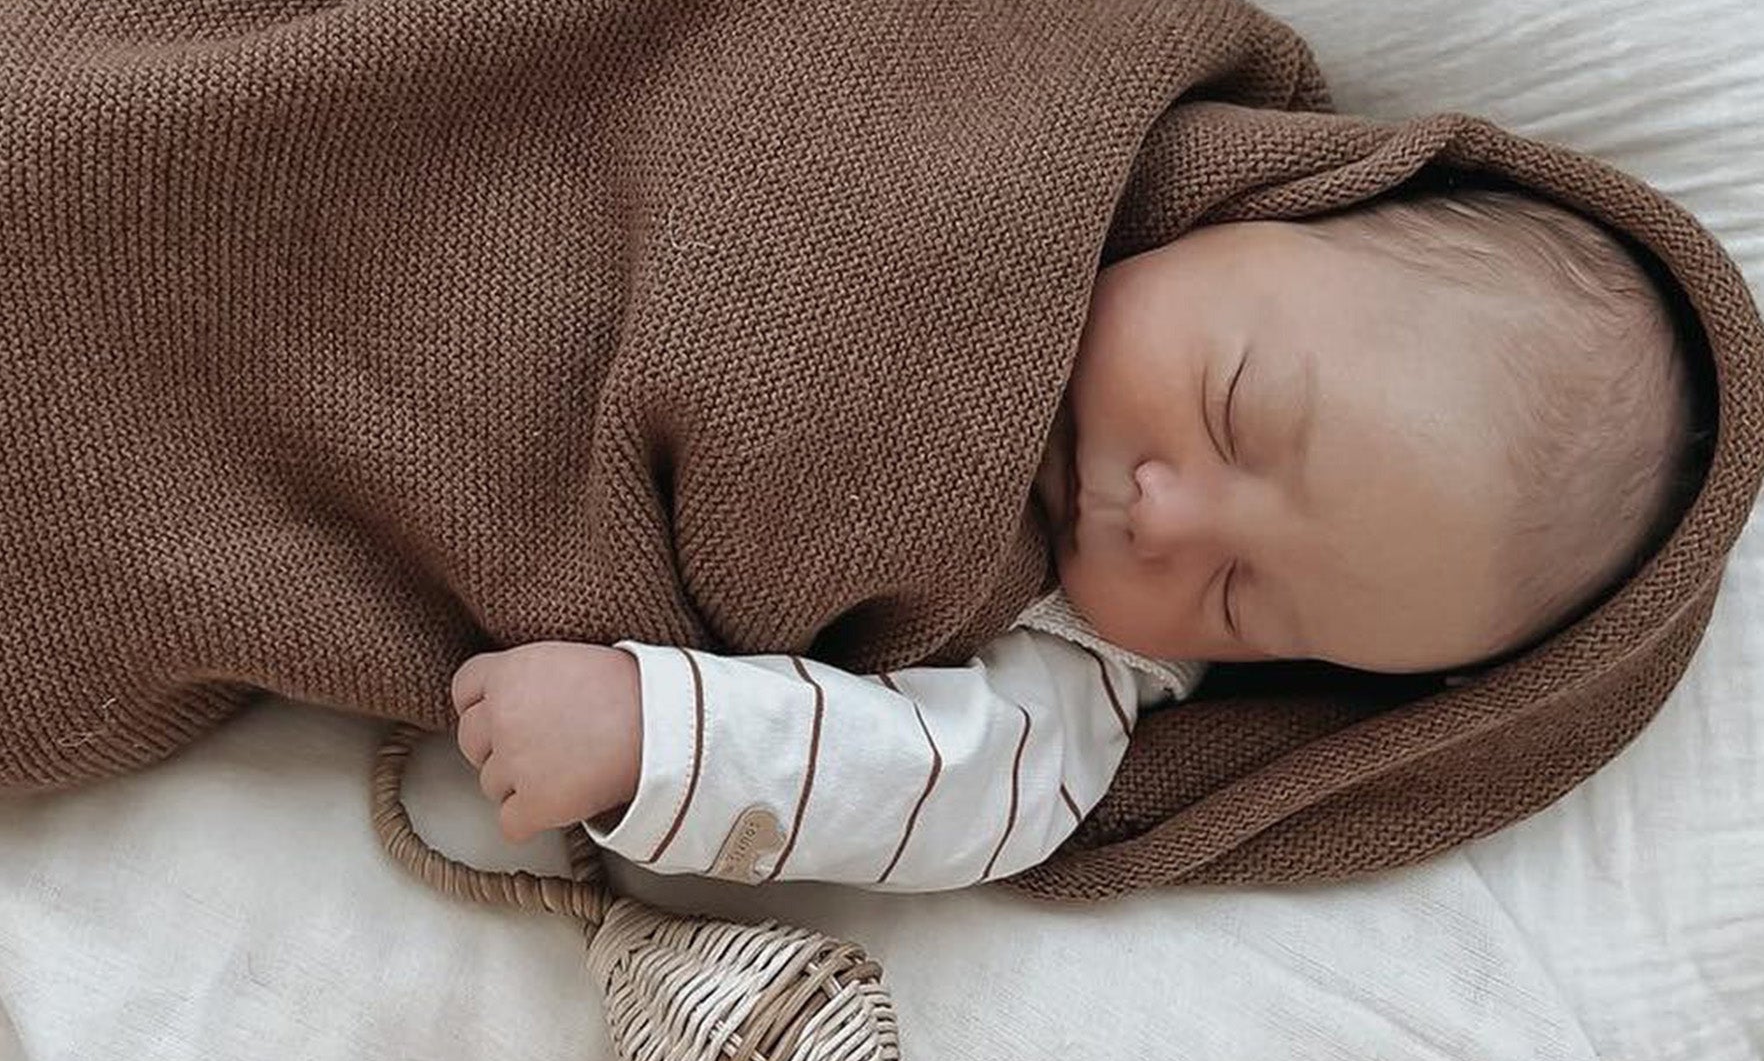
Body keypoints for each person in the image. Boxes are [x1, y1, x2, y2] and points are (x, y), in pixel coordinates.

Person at [452, 186, 1708, 888]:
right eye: (1233, 408)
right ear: (1269, 207)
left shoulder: (1086, 671)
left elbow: (933, 787)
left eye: (1237, 598)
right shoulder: (1036, 163)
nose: (1165, 516)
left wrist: (650, 732)